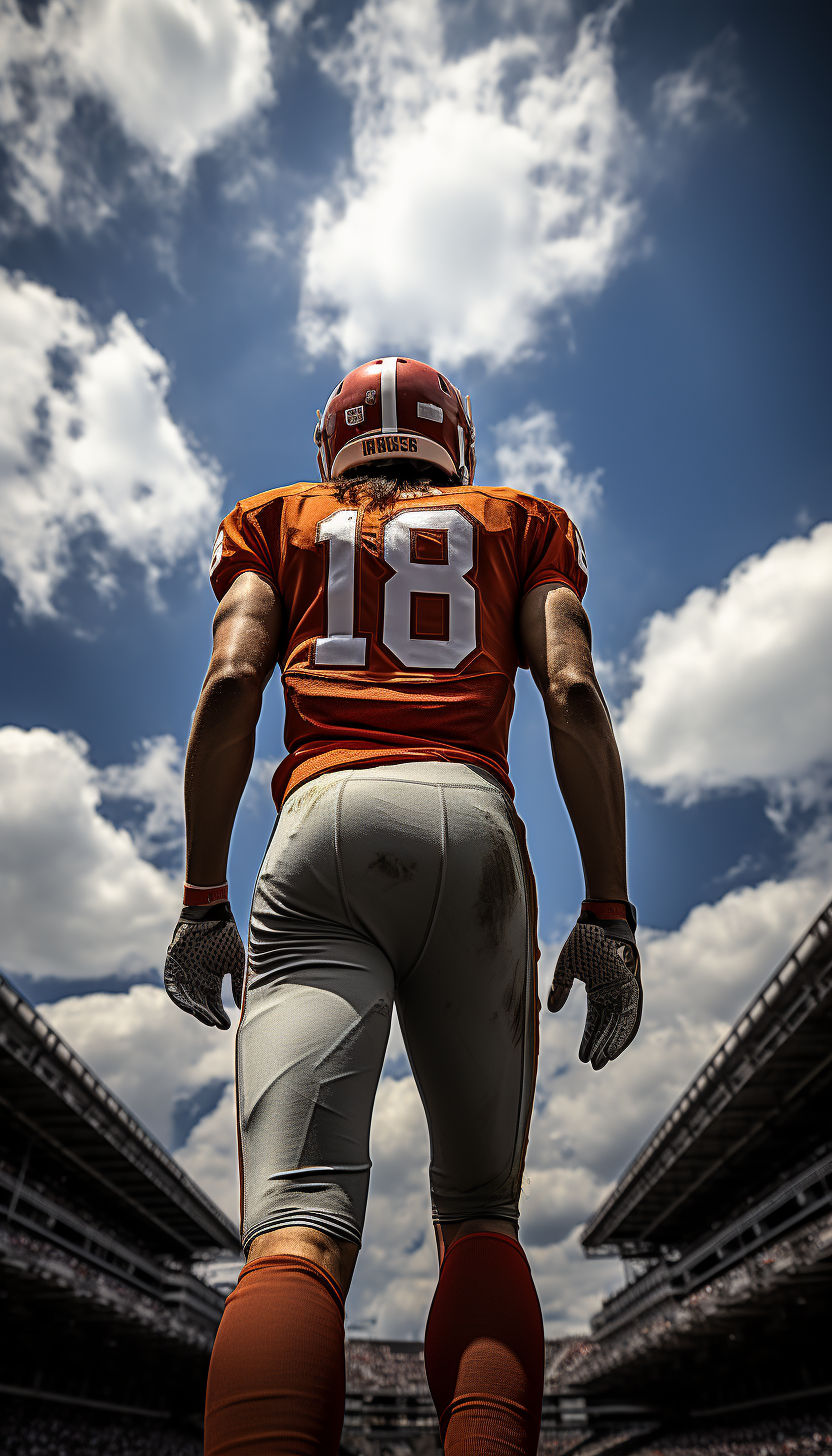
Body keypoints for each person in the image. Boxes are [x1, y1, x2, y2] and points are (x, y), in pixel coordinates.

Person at [164, 356, 642, 1456]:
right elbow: (569, 688)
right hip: (471, 821)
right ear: (454, 448)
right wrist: (607, 909)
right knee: (480, 1219)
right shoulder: (520, 521)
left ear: (332, 446)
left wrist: (201, 899)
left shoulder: (273, 522)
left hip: (320, 826)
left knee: (293, 1226)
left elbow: (232, 682)